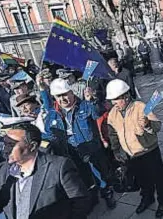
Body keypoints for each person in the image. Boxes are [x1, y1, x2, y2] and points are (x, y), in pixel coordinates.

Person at [0, 123, 91, 219]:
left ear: (32, 146)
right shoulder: (3, 170)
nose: (5, 149)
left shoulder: (58, 166)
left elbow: (81, 202)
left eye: (11, 145)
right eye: (5, 144)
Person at [106, 79, 163, 217]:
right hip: (132, 154)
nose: (114, 103)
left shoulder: (141, 107)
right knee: (142, 179)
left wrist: (147, 125)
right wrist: (116, 150)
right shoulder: (112, 114)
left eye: (116, 99)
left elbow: (157, 126)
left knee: (158, 178)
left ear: (126, 96)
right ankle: (147, 198)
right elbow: (112, 134)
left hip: (149, 151)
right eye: (112, 100)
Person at [49, 78, 117, 209]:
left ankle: (107, 194)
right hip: (71, 151)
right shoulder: (53, 114)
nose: (63, 99)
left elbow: (98, 112)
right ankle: (92, 198)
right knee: (82, 177)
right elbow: (49, 132)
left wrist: (91, 99)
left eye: (65, 94)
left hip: (91, 148)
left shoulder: (85, 106)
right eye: (59, 96)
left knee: (100, 174)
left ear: (71, 92)